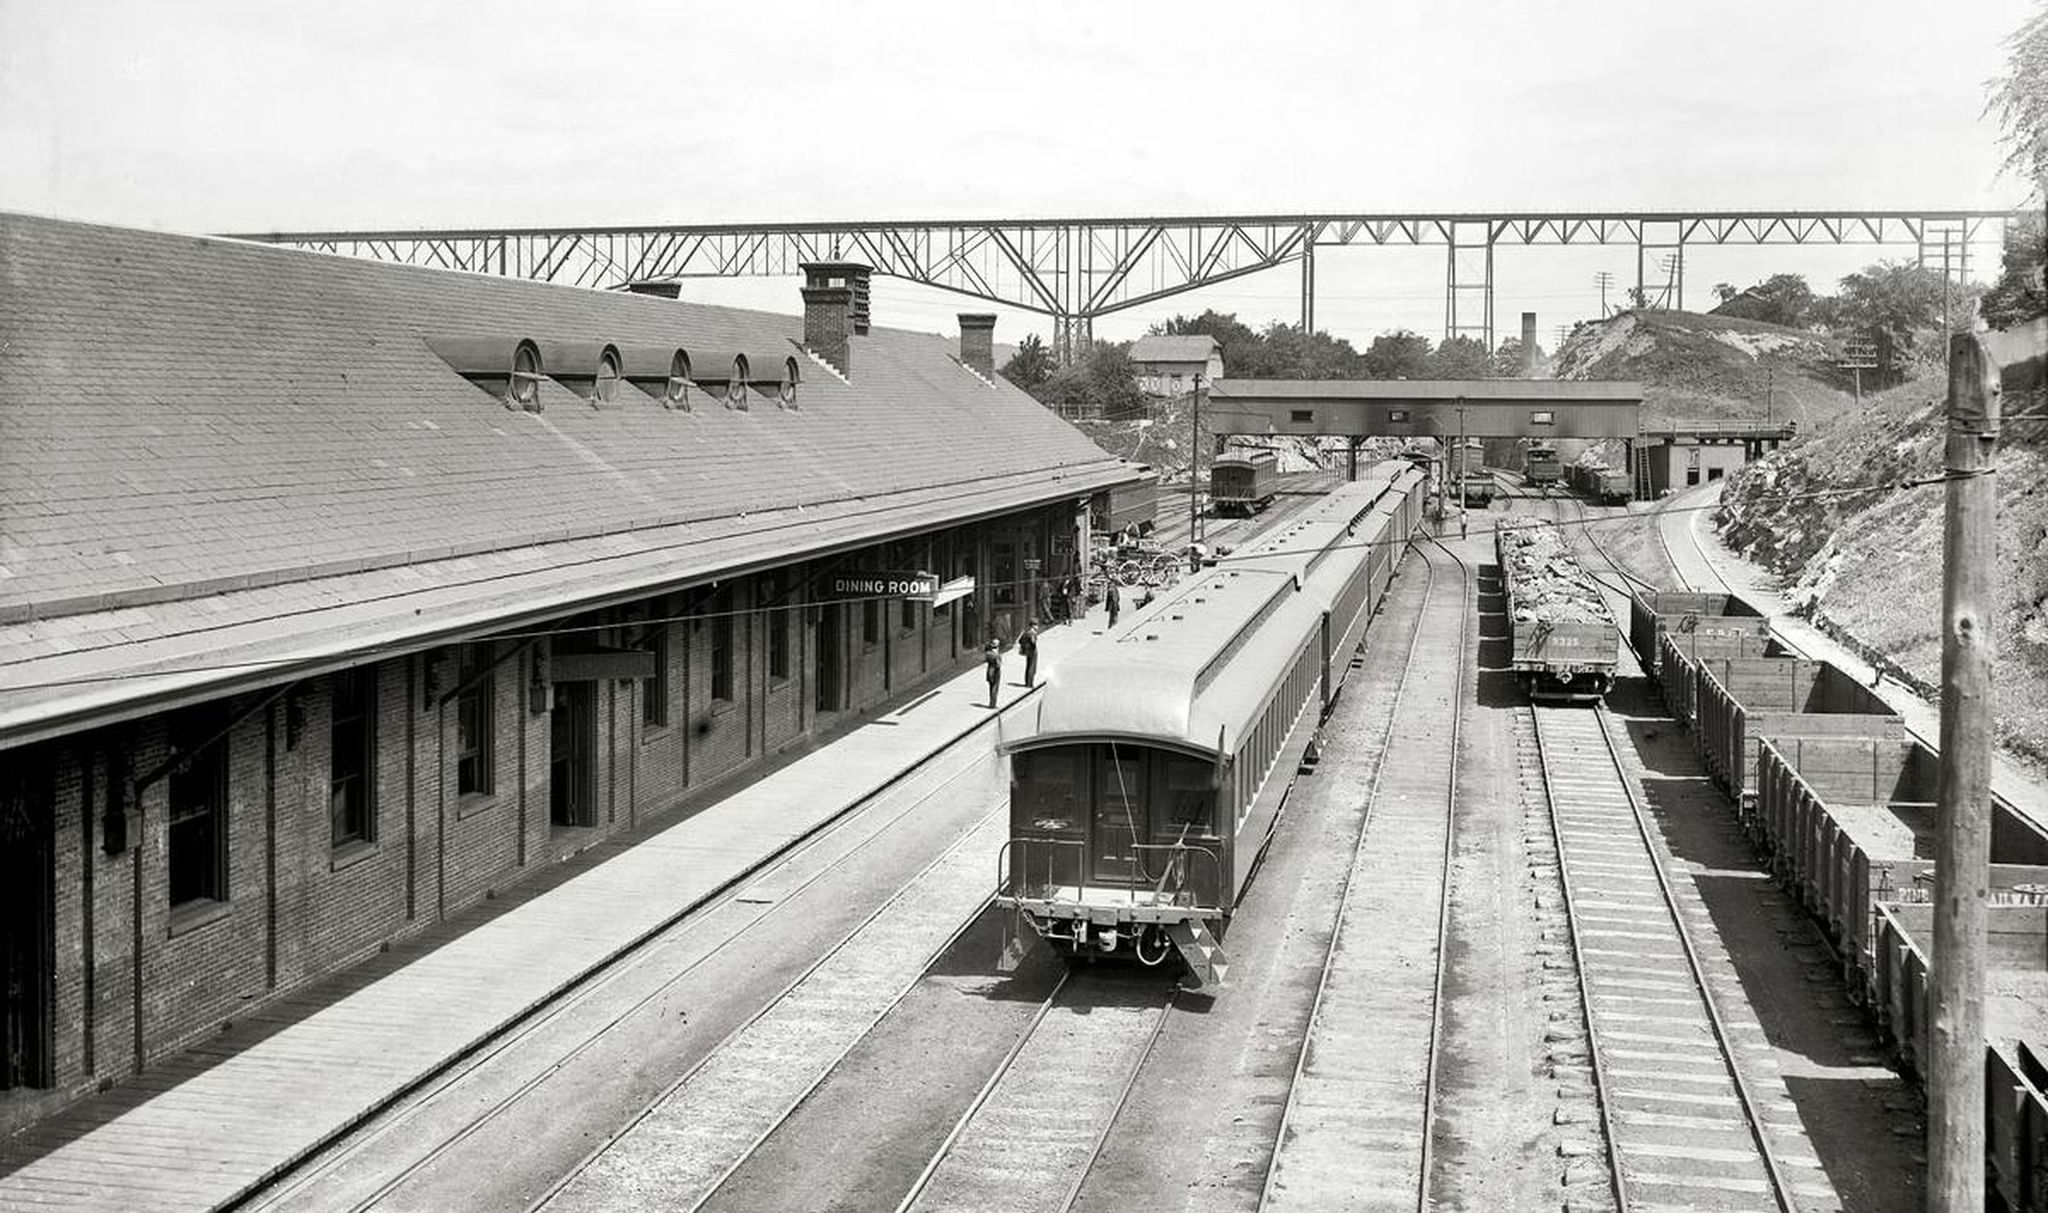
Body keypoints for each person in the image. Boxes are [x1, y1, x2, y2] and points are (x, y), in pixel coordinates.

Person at [983, 639, 1002, 708]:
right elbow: (998, 665)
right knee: (995, 688)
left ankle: (991, 702)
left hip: (989, 671)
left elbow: (985, 659)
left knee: (991, 688)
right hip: (996, 672)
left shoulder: (988, 653)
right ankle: (993, 704)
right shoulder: (996, 655)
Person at [1019, 622, 1039, 688]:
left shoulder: (1026, 632)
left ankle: (1027, 682)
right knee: (1032, 667)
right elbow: (1033, 642)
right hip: (1032, 651)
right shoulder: (1032, 633)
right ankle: (1030, 683)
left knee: (1028, 666)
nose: (1037, 627)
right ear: (1032, 626)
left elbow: (1020, 640)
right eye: (1036, 625)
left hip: (1027, 652)